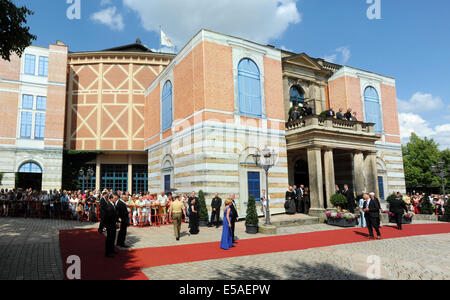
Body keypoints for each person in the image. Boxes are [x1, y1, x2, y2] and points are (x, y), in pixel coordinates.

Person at [100, 194, 118, 258]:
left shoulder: (113, 204)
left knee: (113, 238)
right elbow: (108, 216)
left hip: (113, 224)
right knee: (109, 239)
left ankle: (112, 250)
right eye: (114, 198)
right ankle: (108, 253)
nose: (115, 199)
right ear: (110, 199)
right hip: (110, 224)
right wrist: (105, 225)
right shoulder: (109, 206)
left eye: (116, 198)